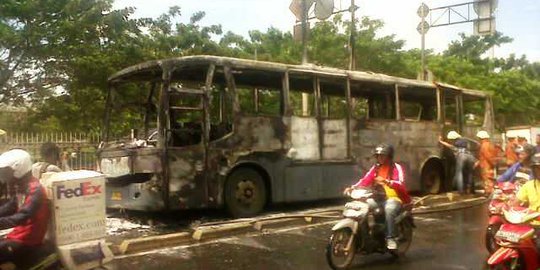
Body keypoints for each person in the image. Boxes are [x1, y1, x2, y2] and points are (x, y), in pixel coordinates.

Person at [345, 144, 411, 250]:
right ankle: (367, 236)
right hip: (379, 197)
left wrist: (387, 182)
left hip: (393, 198)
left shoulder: (396, 167)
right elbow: (365, 179)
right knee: (363, 207)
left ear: (389, 157)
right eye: (378, 156)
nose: (380, 158)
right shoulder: (376, 168)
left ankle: (390, 238)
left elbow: (400, 183)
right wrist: (353, 187)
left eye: (382, 156)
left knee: (389, 209)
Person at [0, 149, 50, 263]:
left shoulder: (34, 189)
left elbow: (23, 216)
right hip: (18, 234)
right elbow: (10, 206)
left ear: (19, 169)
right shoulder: (22, 187)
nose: (4, 175)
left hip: (28, 240)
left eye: (6, 172)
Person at [477, 130, 498, 196]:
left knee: (487, 179)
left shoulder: (484, 146)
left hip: (486, 166)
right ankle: (489, 191)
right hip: (488, 165)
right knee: (489, 179)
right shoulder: (489, 145)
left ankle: (488, 192)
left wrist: (492, 163)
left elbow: (488, 156)